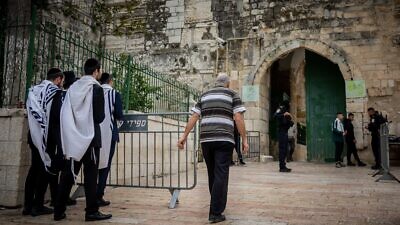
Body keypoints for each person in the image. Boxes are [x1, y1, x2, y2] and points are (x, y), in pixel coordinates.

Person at [177, 73, 249, 223]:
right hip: (224, 140)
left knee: (213, 174)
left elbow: (194, 117)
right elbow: (238, 117)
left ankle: (216, 206)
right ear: (228, 84)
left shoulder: (204, 95)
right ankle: (215, 212)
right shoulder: (232, 94)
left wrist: (183, 136)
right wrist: (244, 138)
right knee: (221, 174)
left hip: (206, 140)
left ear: (216, 83)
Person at [54, 58, 112, 221]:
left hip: (75, 137)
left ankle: (58, 210)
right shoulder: (96, 88)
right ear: (96, 71)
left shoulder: (73, 88)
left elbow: (67, 111)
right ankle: (91, 211)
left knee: (69, 173)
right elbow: (100, 116)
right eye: (99, 70)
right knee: (91, 176)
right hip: (91, 137)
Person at [24, 68, 64, 216]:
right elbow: (56, 117)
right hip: (48, 138)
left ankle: (27, 206)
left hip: (34, 135)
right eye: (62, 81)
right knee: (45, 170)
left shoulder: (34, 90)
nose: (61, 83)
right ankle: (38, 205)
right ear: (58, 79)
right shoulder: (55, 92)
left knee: (34, 170)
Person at [97, 73, 123, 206]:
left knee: (93, 166)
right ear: (110, 81)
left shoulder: (94, 91)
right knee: (105, 165)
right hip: (109, 133)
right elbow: (119, 114)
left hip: (94, 133)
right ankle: (98, 195)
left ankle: (92, 195)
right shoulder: (115, 94)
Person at [274, 101, 294, 172]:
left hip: (285, 132)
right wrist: (284, 114)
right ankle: (281, 167)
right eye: (289, 103)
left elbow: (288, 121)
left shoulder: (286, 110)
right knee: (282, 149)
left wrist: (291, 120)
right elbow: (275, 115)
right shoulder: (281, 108)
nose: (290, 105)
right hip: (281, 132)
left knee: (285, 149)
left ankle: (284, 165)